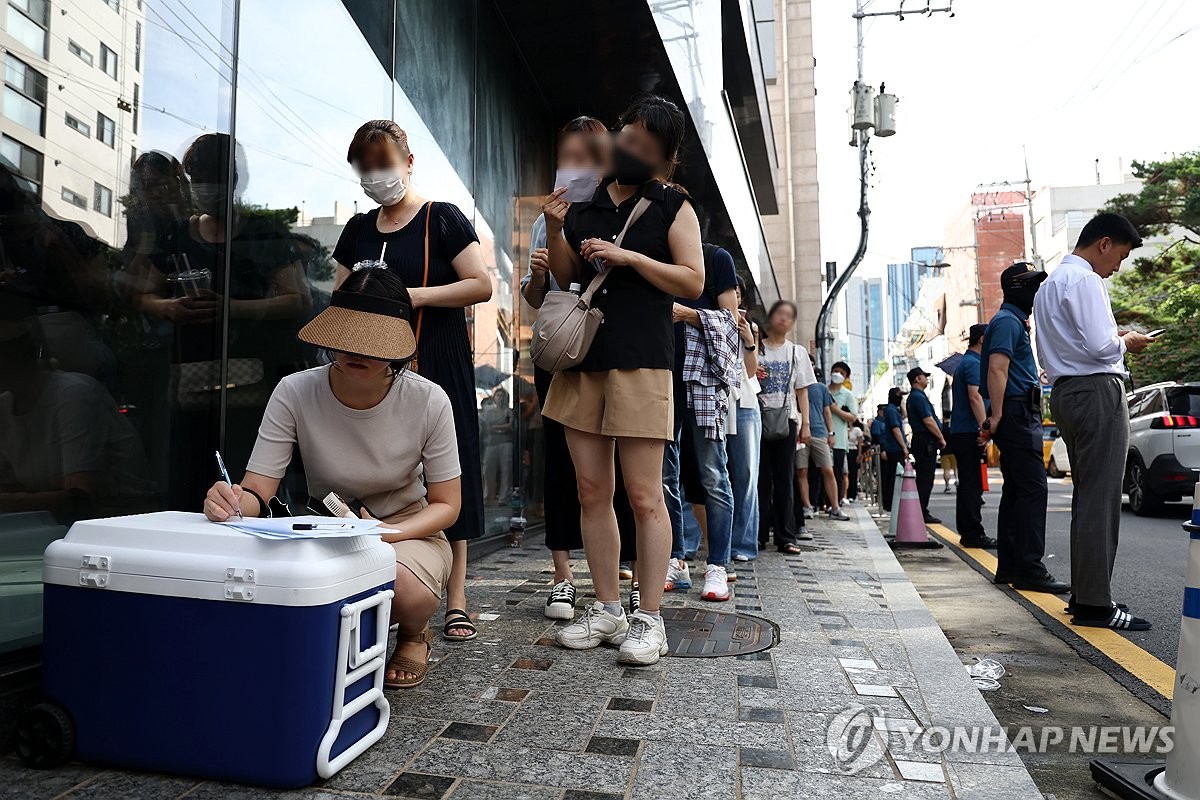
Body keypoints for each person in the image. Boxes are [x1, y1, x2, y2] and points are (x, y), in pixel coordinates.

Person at [203, 267, 460, 689]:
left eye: (371, 344)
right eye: (343, 339)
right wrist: (230, 500)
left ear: (396, 347)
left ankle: (415, 633)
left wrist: (388, 533)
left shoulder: (428, 400)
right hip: (327, 529)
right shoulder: (294, 390)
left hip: (409, 531)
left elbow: (448, 505)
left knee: (400, 584)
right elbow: (257, 491)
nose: (353, 352)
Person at [541, 95, 704, 665]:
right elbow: (568, 277)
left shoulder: (671, 205)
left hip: (641, 360)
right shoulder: (584, 199)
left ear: (663, 158)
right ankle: (607, 607)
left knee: (643, 494)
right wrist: (556, 232)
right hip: (584, 360)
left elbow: (692, 281)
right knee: (591, 490)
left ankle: (650, 619)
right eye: (627, 136)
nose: (629, 149)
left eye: (644, 147)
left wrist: (630, 258)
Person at [333, 120, 491, 643]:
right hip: (370, 368)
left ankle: (458, 597)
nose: (375, 175)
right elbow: (340, 298)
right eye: (365, 167)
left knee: (451, 469)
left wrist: (412, 298)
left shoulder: (439, 218)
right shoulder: (356, 229)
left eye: (384, 163)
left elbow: (481, 284)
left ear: (408, 161)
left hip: (435, 358)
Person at [523, 116, 642, 621]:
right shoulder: (541, 219)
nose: (577, 167)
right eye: (569, 156)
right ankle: (562, 576)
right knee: (561, 465)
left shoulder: (621, 209)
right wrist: (535, 274)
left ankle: (630, 574)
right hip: (562, 352)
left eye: (589, 157)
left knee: (624, 470)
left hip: (614, 349)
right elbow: (535, 299)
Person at [1034, 213, 1154, 630]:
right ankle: (1096, 605)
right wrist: (1127, 340)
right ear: (1103, 244)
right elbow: (1104, 347)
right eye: (1119, 256)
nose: (1117, 267)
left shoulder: (1049, 285)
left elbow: (1073, 344)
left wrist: (1112, 338)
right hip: (1096, 391)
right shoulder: (1087, 281)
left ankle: (1087, 597)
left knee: (1088, 498)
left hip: (1066, 392)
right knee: (1102, 500)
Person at [980, 263, 1068, 594]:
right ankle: (1030, 567)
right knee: (1033, 490)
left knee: (1018, 491)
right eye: (1031, 284)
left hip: (1017, 410)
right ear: (1016, 288)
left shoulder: (1012, 322)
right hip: (1016, 412)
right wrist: (999, 414)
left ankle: (1010, 566)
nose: (1036, 291)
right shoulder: (1006, 322)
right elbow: (996, 370)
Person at [663, 243, 739, 601]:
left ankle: (718, 565)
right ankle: (675, 560)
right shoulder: (653, 253)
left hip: (703, 378)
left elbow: (731, 323)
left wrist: (687, 314)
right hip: (658, 374)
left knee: (713, 474)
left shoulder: (714, 257)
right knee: (663, 477)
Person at [756, 301, 816, 552]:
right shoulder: (756, 348)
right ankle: (758, 535)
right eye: (779, 314)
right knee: (759, 479)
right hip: (757, 418)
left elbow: (801, 391)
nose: (783, 319)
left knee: (784, 479)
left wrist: (806, 425)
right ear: (770, 318)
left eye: (789, 316)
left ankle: (786, 536)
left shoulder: (797, 352)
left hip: (787, 420)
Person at [949, 324, 996, 549]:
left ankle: (970, 531)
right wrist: (983, 427)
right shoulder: (973, 364)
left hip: (965, 431)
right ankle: (972, 533)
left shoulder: (969, 362)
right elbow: (975, 397)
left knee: (970, 484)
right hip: (969, 432)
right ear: (983, 339)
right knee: (971, 485)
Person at [728, 278, 761, 563]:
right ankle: (692, 542)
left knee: (746, 476)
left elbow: (751, 372)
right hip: (714, 401)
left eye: (737, 293)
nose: (733, 297)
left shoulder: (750, 326)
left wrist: (749, 340)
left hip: (745, 403)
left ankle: (743, 544)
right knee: (708, 474)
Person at [797, 375, 849, 521]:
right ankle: (807, 506)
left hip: (819, 432)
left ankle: (835, 507)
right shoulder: (795, 383)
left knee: (828, 470)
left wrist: (831, 433)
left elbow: (827, 411)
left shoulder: (821, 388)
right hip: (799, 433)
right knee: (802, 470)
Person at [905, 368, 946, 524]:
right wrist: (940, 437)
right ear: (917, 379)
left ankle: (921, 509)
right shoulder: (918, 397)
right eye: (924, 377)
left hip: (922, 440)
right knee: (925, 478)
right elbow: (928, 420)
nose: (927, 380)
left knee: (924, 477)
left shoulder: (916, 397)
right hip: (925, 440)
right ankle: (921, 510)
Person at [827, 362, 858, 507]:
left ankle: (837, 502)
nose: (837, 374)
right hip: (822, 437)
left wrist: (836, 410)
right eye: (835, 371)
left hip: (839, 440)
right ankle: (823, 503)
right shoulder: (824, 391)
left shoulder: (847, 395)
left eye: (842, 373)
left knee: (837, 473)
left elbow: (853, 417)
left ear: (846, 377)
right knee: (823, 472)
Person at [480, 386, 513, 504]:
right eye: (498, 395)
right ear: (494, 397)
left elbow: (510, 426)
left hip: (505, 442)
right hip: (491, 443)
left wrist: (495, 427)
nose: (500, 398)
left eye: (502, 395)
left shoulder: (508, 411)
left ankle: (503, 498)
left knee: (506, 471)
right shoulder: (489, 411)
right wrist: (498, 428)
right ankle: (487, 497)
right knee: (487, 470)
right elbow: (485, 426)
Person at [880, 388, 909, 514]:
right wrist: (904, 447)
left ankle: (891, 502)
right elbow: (896, 429)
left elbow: (904, 416)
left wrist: (902, 404)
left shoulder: (893, 409)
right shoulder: (891, 410)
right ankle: (890, 502)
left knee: (893, 476)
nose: (901, 398)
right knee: (894, 477)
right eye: (900, 396)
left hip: (894, 447)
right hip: (895, 448)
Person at [846, 421, 864, 503]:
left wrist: (859, 454)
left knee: (853, 473)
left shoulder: (857, 430)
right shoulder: (843, 429)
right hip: (845, 450)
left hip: (853, 451)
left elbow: (860, 443)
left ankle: (852, 494)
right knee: (846, 473)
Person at [940, 420, 957, 493]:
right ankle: (957, 480)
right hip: (954, 451)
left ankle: (947, 486)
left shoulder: (942, 427)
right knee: (956, 468)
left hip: (944, 452)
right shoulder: (953, 426)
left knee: (946, 470)